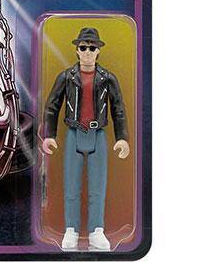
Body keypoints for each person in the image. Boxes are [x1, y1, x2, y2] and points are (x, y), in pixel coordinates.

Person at [42, 27, 130, 251]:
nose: (88, 52)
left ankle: (96, 231)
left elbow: (118, 109)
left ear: (98, 51)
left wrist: (122, 137)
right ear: (77, 50)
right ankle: (71, 230)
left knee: (97, 188)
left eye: (92, 48)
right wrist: (49, 135)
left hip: (98, 135)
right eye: (83, 48)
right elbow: (52, 106)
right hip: (73, 134)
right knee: (71, 187)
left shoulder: (108, 78)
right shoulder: (66, 77)